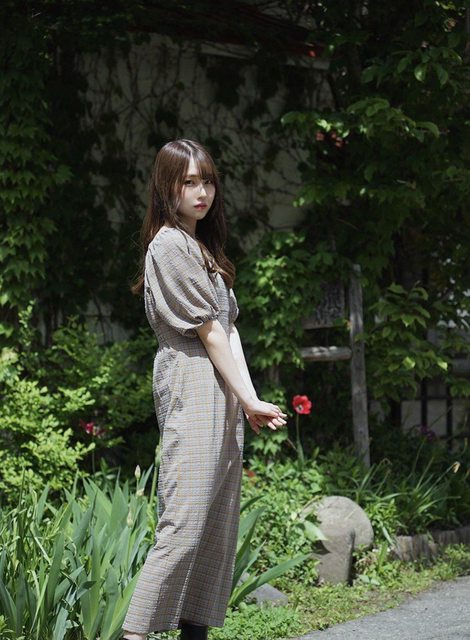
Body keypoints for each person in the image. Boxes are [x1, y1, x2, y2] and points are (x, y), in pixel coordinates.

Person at [121, 139, 287, 640]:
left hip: (223, 390)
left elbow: (229, 331)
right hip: (191, 382)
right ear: (165, 187)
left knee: (215, 528)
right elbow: (209, 330)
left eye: (207, 181)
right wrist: (248, 398)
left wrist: (248, 400)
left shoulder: (203, 249)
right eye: (188, 182)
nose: (201, 192)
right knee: (185, 522)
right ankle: (135, 634)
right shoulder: (169, 245)